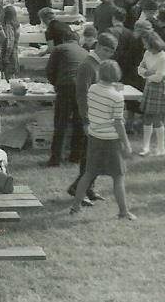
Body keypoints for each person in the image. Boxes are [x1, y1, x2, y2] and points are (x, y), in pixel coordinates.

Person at [70, 60, 136, 220]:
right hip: (111, 140)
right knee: (118, 176)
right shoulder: (117, 97)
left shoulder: (92, 89)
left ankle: (75, 206)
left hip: (94, 137)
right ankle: (123, 211)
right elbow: (118, 123)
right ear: (117, 76)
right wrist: (126, 143)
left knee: (89, 173)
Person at [45, 28, 89, 166]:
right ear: (77, 40)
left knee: (61, 123)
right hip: (82, 87)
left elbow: (50, 70)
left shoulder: (59, 49)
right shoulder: (85, 52)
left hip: (65, 86)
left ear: (64, 39)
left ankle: (55, 158)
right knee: (78, 122)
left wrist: (56, 83)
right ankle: (76, 156)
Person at [137, 32, 165, 157]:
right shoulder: (147, 53)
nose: (144, 46)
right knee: (147, 117)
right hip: (149, 86)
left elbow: (159, 77)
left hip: (159, 87)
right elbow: (139, 69)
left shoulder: (163, 56)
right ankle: (146, 147)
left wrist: (147, 74)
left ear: (153, 43)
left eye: (146, 43)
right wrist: (148, 72)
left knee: (157, 119)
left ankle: (161, 148)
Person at [0, 6, 20, 80]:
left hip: (9, 54)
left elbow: (9, 43)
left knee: (8, 76)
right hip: (14, 52)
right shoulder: (16, 24)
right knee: (13, 76)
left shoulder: (8, 26)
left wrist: (6, 57)